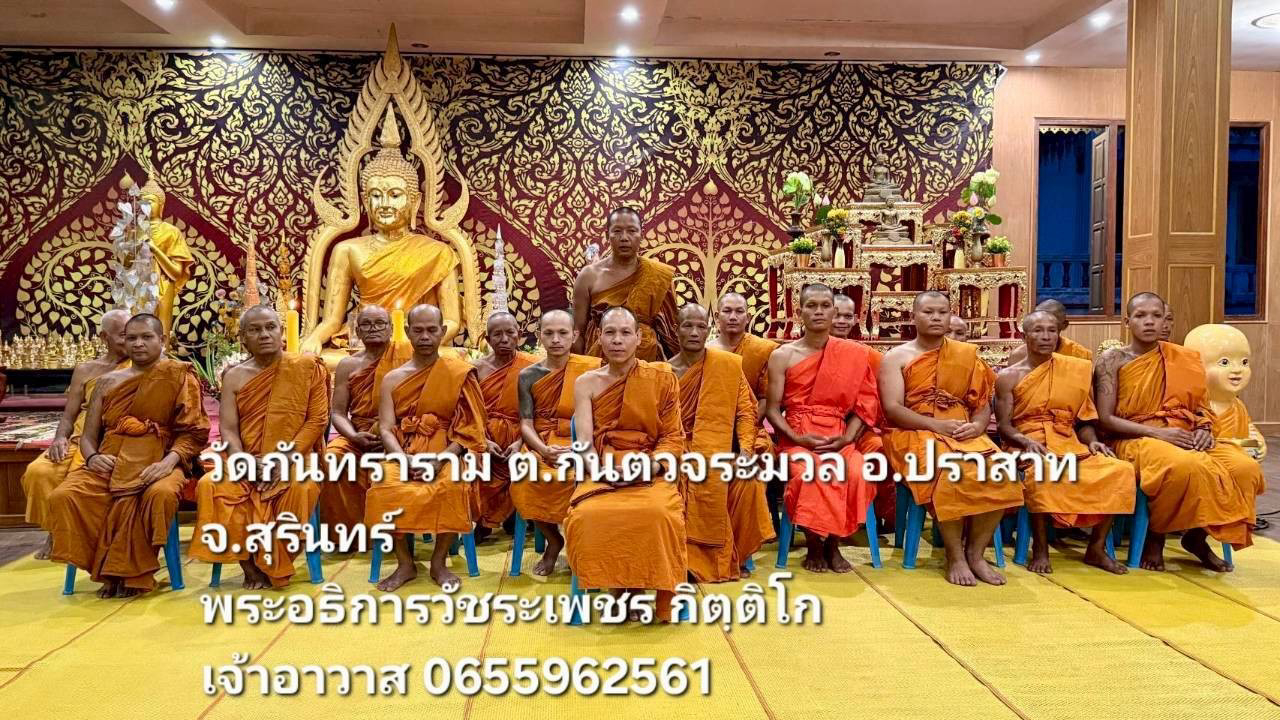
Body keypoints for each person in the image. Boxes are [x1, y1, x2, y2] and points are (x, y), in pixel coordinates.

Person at [1094, 293, 1263, 571]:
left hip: (1184, 434)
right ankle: (1156, 536)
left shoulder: (1183, 358)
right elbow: (1105, 419)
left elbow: (1200, 407)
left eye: (1156, 316)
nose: (1150, 322)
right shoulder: (1112, 360)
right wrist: (1158, 434)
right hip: (1135, 438)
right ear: (1127, 321)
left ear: (1165, 321)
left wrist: (1205, 428)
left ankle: (1196, 537)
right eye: (1141, 316)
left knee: (1245, 468)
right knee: (1184, 466)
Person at [47, 314, 209, 597]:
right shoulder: (107, 382)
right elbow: (89, 436)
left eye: (146, 337)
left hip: (162, 460)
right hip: (111, 462)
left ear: (162, 340)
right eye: (130, 338)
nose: (138, 344)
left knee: (160, 494)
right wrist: (93, 458)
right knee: (65, 496)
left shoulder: (179, 375)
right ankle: (106, 570)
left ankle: (131, 573)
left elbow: (194, 433)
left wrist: (168, 463)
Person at [880, 291, 1023, 586]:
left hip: (961, 429)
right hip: (913, 432)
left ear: (949, 316)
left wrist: (978, 426)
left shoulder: (966, 355)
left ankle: (975, 554)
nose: (936, 318)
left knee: (1002, 471)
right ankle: (955, 556)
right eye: (928, 312)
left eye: (942, 312)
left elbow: (981, 405)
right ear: (913, 317)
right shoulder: (896, 357)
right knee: (949, 471)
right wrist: (936, 426)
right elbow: (893, 409)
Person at [192, 306, 331, 589]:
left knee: (300, 488)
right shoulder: (234, 376)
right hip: (248, 458)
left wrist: (283, 460)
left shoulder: (307, 367)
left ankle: (275, 562)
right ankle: (249, 565)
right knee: (210, 486)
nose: (264, 334)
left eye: (270, 327)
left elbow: (317, 420)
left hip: (296, 458)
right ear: (243, 338)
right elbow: (229, 429)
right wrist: (243, 460)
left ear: (281, 332)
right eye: (254, 330)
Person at [994, 310, 1134, 574]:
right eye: (1038, 330)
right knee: (1043, 473)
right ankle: (1041, 548)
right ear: (1024, 336)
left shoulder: (1075, 370)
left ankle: (1096, 547)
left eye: (1051, 330)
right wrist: (1025, 441)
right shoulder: (1009, 376)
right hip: (1027, 442)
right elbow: (1004, 426)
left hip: (1068, 441)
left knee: (1120, 470)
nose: (1046, 336)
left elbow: (1084, 420)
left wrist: (1092, 442)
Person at [564, 307, 686, 609]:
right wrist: (601, 472)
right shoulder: (586, 382)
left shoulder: (661, 378)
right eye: (610, 333)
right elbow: (584, 443)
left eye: (625, 333)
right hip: (603, 469)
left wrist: (648, 467)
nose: (617, 340)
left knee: (659, 513)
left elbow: (672, 437)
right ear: (599, 337)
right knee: (586, 516)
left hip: (650, 469)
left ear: (638, 338)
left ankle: (638, 588)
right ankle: (617, 587)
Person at [365, 304, 488, 591]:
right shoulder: (392, 378)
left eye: (432, 330)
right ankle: (405, 563)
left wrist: (441, 460)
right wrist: (402, 460)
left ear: (443, 332)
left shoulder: (458, 373)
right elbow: (386, 428)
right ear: (407, 332)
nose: (424, 337)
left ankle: (438, 562)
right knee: (384, 486)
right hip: (404, 451)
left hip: (446, 452)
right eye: (418, 330)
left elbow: (469, 429)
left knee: (452, 484)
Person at [766, 284, 881, 573]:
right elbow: (772, 409)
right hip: (798, 436)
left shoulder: (854, 354)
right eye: (811, 306)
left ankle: (833, 544)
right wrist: (797, 437)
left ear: (833, 311)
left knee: (856, 472)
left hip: (838, 436)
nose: (818, 312)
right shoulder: (783, 355)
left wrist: (846, 438)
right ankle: (814, 545)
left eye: (825, 306)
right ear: (799, 312)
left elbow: (865, 405)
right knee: (809, 473)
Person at [668, 304, 774, 581]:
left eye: (700, 327)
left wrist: (746, 452)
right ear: (676, 330)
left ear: (709, 330)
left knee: (748, 482)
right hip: (679, 449)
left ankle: (733, 555)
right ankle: (686, 560)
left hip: (720, 447)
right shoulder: (664, 372)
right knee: (681, 479)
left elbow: (745, 412)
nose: (694, 332)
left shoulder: (727, 365)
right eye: (687, 326)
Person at [21, 309, 129, 559]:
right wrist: (60, 437)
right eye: (124, 335)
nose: (131, 341)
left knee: (78, 479)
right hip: (80, 436)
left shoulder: (141, 366)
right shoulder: (86, 369)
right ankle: (55, 532)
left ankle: (82, 536)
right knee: (39, 472)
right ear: (104, 337)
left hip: (114, 438)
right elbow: (69, 415)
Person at [515, 309, 600, 575]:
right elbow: (526, 423)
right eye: (549, 333)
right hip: (542, 442)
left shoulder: (592, 370)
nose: (556, 339)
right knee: (525, 477)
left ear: (574, 335)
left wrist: (580, 448)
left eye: (563, 333)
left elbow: (600, 421)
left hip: (581, 440)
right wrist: (543, 450)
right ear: (539, 336)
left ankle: (582, 543)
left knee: (584, 478)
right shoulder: (528, 375)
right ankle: (553, 540)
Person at [322, 305, 409, 533]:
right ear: (357, 331)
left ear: (391, 328)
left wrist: (389, 432)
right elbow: (338, 413)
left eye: (380, 323)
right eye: (366, 325)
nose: (373, 329)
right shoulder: (348, 365)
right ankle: (350, 532)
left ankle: (393, 529)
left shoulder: (407, 358)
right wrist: (354, 436)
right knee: (332, 459)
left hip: (400, 434)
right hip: (360, 434)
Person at [572, 207, 679, 360]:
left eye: (631, 231)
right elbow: (577, 333)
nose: (624, 238)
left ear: (641, 235)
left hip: (646, 360)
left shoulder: (658, 275)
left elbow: (671, 334)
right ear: (607, 235)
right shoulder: (589, 276)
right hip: (600, 361)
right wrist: (580, 367)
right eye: (617, 231)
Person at [472, 311, 536, 538]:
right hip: (484, 436)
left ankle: (517, 512)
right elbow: (469, 413)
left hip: (522, 434)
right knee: (474, 458)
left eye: (510, 333)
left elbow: (539, 414)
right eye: (497, 334)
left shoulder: (533, 368)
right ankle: (482, 519)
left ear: (519, 335)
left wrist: (520, 442)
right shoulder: (475, 369)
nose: (504, 339)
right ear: (487, 339)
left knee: (529, 458)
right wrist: (484, 441)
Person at [1007, 299, 1092, 364]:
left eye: (1051, 328)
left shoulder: (1080, 355)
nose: (1045, 336)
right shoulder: (1019, 355)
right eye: (1038, 329)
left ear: (1064, 325)